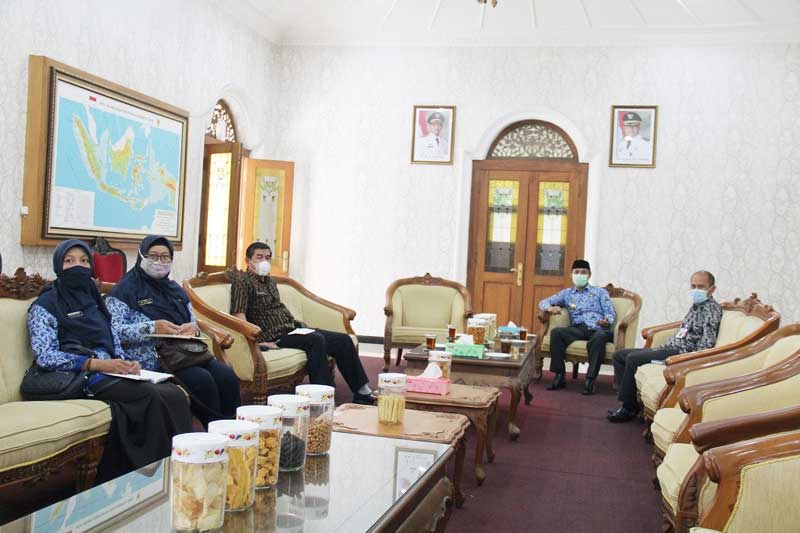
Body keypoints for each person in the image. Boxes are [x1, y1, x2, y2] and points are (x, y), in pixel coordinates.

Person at [27, 239, 192, 481]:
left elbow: (111, 336)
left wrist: (126, 362)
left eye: (84, 260)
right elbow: (45, 355)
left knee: (173, 392)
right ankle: (147, 476)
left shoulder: (93, 299)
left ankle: (183, 465)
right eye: (69, 261)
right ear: (58, 265)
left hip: (109, 371)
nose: (78, 266)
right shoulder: (45, 305)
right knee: (150, 395)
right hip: (80, 375)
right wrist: (95, 364)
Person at [106, 235, 241, 428]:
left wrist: (192, 329)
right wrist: (153, 327)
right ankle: (214, 430)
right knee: (202, 380)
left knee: (226, 375)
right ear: (141, 256)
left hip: (187, 353)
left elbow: (193, 322)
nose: (159, 262)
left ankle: (231, 429)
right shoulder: (124, 291)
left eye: (165, 257)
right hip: (153, 358)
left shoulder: (175, 290)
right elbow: (114, 331)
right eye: (153, 256)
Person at [231, 242, 373, 404]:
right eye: (259, 257)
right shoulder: (242, 282)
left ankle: (362, 392)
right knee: (316, 340)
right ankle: (323, 398)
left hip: (293, 328)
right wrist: (256, 342)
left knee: (343, 340)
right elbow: (238, 315)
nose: (264, 261)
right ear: (248, 261)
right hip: (274, 336)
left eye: (268, 258)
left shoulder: (270, 281)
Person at [607, 270, 722, 422]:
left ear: (712, 289)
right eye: (693, 286)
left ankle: (628, 408)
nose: (696, 290)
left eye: (700, 287)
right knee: (619, 355)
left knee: (633, 359)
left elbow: (707, 344)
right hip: (668, 348)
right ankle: (633, 403)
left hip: (679, 353)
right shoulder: (696, 306)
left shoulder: (711, 310)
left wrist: (685, 360)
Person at [538, 259, 616, 395]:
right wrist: (550, 308)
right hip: (578, 328)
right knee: (557, 333)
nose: (580, 275)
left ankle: (590, 380)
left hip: (598, 328)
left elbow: (610, 313)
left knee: (599, 338)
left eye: (583, 272)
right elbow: (543, 302)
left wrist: (607, 321)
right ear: (571, 274)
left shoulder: (600, 292)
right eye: (577, 272)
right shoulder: (567, 294)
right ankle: (559, 375)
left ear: (589, 275)